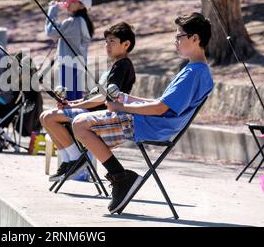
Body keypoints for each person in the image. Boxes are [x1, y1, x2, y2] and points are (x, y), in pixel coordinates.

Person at [72, 12, 214, 214]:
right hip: (151, 122)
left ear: (195, 38)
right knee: (81, 123)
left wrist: (121, 107)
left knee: (79, 124)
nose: (175, 41)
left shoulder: (194, 73)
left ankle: (121, 178)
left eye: (179, 36)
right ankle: (119, 176)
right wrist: (126, 99)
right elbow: (161, 103)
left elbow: (160, 109)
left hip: (151, 126)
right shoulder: (194, 70)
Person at [40, 21, 136, 182]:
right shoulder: (115, 66)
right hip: (91, 111)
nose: (107, 45)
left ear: (126, 44)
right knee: (45, 117)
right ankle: (68, 162)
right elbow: (93, 96)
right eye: (106, 42)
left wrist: (73, 105)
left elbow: (104, 97)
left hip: (99, 116)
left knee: (49, 117)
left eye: (112, 41)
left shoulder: (123, 65)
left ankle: (76, 160)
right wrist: (72, 103)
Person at [45, 0, 94, 100]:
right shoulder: (83, 21)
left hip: (68, 65)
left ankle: (70, 117)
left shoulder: (73, 22)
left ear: (81, 6)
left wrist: (53, 10)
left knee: (68, 100)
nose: (68, 2)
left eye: (73, 1)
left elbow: (50, 32)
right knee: (76, 99)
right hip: (78, 65)